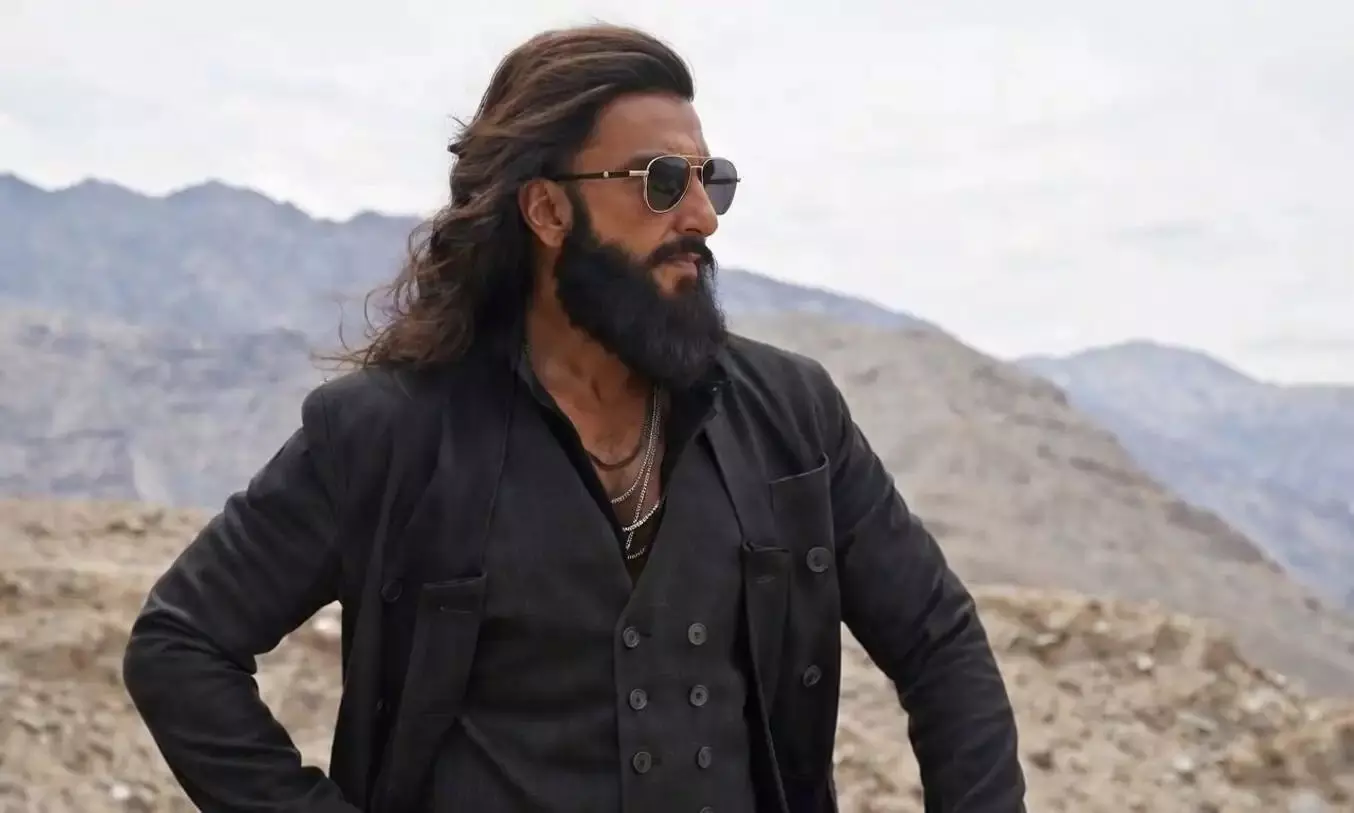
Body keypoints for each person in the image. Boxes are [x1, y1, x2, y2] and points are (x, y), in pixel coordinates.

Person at [122, 23, 1025, 813]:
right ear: (549, 209)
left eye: (710, 179)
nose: (703, 216)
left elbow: (939, 642)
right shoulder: (389, 433)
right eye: (662, 181)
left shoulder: (791, 417)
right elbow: (181, 644)